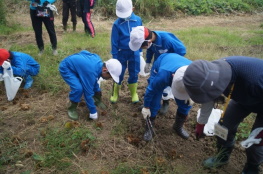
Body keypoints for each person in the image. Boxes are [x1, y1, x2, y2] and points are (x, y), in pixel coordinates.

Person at [176, 56, 263, 173]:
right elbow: (208, 96)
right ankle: (223, 156)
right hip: (241, 99)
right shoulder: (210, 74)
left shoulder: (255, 80)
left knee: (255, 143)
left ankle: (252, 167)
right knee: (223, 127)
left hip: (257, 96)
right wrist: (201, 123)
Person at [129, 26, 187, 115]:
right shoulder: (151, 41)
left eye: (142, 46)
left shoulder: (167, 40)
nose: (142, 49)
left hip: (168, 66)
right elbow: (150, 50)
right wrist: (148, 62)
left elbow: (182, 50)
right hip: (157, 64)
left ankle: (165, 101)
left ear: (148, 42)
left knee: (166, 86)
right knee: (153, 83)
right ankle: (150, 104)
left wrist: (172, 60)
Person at [141, 53, 192, 141]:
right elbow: (150, 91)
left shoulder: (196, 73)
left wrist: (191, 94)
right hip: (163, 63)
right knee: (154, 100)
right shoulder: (163, 76)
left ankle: (177, 126)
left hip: (179, 67)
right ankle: (149, 127)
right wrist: (146, 107)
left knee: (186, 103)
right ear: (173, 77)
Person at [59, 50, 122, 121]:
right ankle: (72, 108)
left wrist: (80, 61)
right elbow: (87, 93)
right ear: (105, 70)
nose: (109, 78)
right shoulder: (90, 72)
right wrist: (93, 113)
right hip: (67, 68)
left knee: (94, 83)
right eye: (110, 76)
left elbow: (85, 52)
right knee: (79, 89)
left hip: (79, 68)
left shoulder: (98, 61)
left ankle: (97, 100)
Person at [110, 0, 143, 104]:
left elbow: (141, 36)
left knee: (134, 71)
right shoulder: (117, 24)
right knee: (119, 71)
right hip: (121, 52)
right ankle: (115, 92)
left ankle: (134, 93)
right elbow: (114, 41)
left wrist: (141, 51)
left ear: (132, 9)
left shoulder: (138, 20)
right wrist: (115, 57)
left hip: (135, 52)